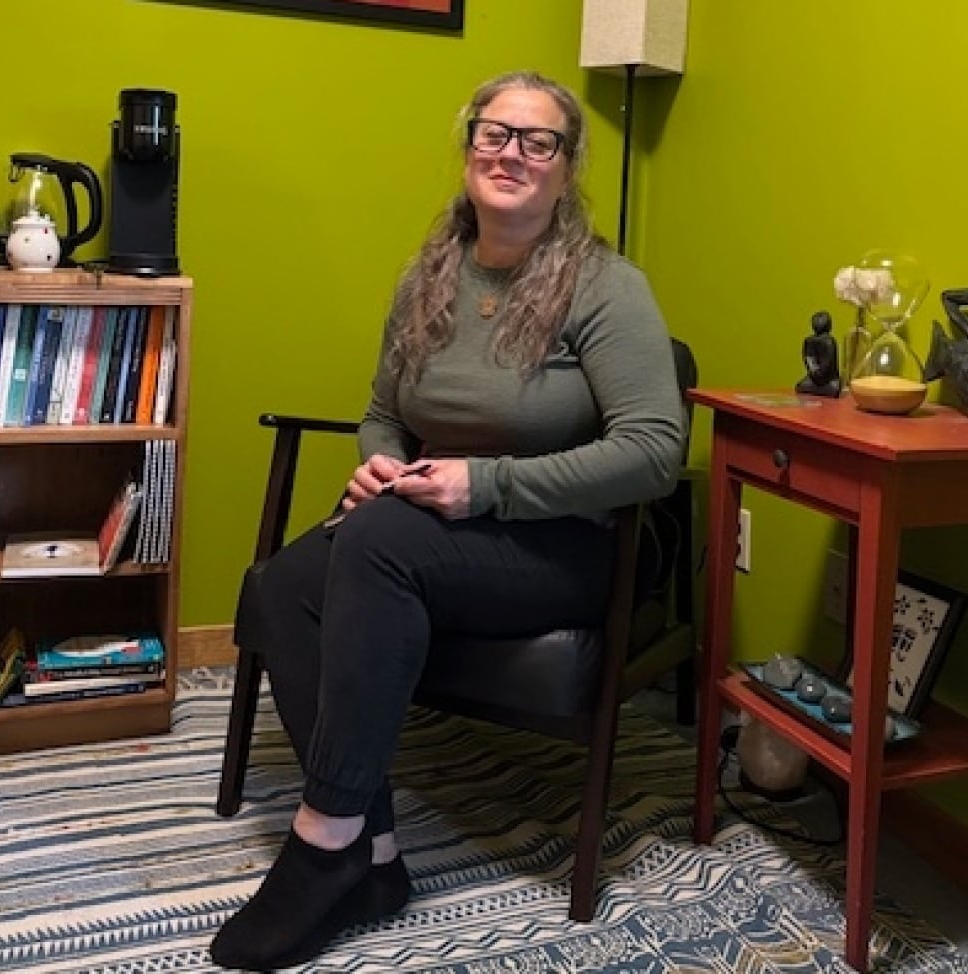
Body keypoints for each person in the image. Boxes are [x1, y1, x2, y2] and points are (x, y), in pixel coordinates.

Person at [209, 70, 685, 971]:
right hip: (445, 529)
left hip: (572, 543)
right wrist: (378, 460)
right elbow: (384, 410)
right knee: (286, 586)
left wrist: (488, 485)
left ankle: (323, 841)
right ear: (468, 144)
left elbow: (655, 451)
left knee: (378, 544)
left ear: (567, 165)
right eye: (493, 133)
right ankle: (375, 853)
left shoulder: (607, 288)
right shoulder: (430, 274)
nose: (511, 153)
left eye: (536, 140)